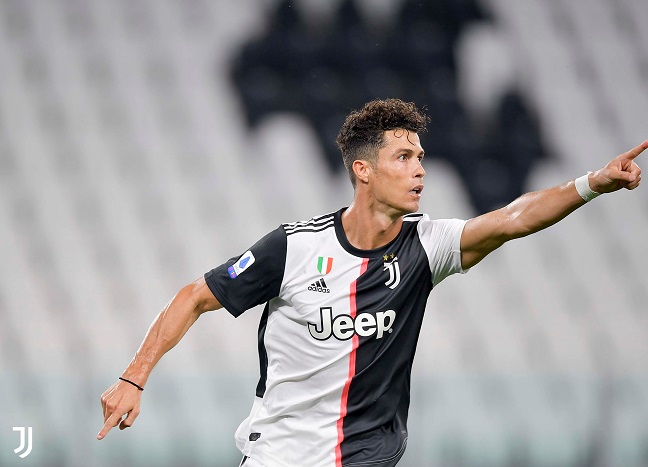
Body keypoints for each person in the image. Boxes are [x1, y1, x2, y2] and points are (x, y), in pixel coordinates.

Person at [97, 98, 645, 467]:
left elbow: (514, 217)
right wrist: (134, 378)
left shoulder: (427, 245)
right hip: (278, 454)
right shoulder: (293, 247)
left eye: (421, 158)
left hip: (365, 453)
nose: (420, 170)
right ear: (364, 171)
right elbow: (194, 296)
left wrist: (591, 183)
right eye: (403, 157)